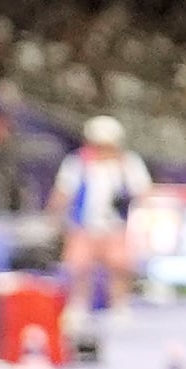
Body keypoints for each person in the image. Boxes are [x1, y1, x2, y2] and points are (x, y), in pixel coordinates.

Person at [46, 115, 147, 329]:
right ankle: (78, 307)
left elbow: (143, 191)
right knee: (79, 267)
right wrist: (54, 215)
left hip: (115, 226)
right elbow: (63, 192)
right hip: (84, 226)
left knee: (119, 265)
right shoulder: (77, 163)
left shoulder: (128, 163)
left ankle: (119, 306)